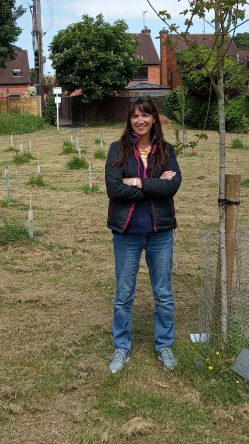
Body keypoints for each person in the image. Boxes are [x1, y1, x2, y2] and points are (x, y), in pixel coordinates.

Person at [105, 96, 182, 373]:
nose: (140, 121)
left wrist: (136, 181)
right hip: (127, 232)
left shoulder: (166, 150)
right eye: (135, 116)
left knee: (163, 293)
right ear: (130, 119)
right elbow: (114, 190)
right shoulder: (117, 150)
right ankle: (121, 348)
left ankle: (164, 345)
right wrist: (152, 185)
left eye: (145, 115)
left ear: (153, 118)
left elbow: (171, 187)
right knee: (123, 294)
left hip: (159, 233)